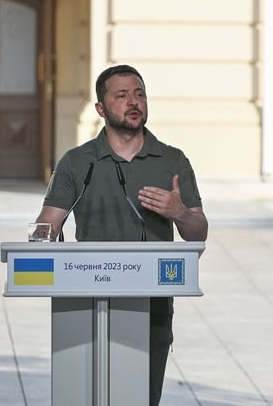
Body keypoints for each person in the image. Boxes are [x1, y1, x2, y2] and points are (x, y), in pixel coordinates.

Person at [34, 64, 209, 406]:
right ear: (101, 108)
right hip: (86, 301)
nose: (134, 102)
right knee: (87, 395)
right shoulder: (76, 162)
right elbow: (47, 225)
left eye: (140, 94)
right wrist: (40, 242)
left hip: (153, 303)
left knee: (141, 397)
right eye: (122, 95)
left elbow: (198, 233)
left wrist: (179, 212)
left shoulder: (172, 160)